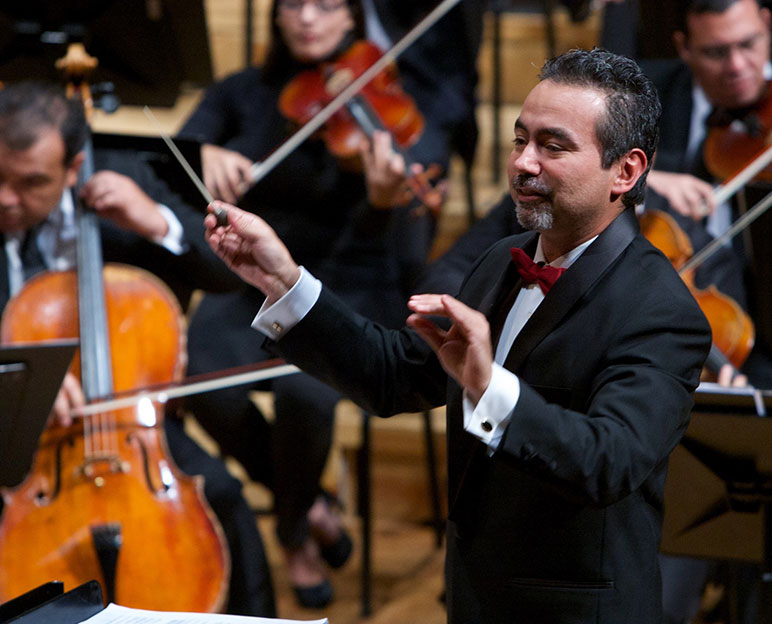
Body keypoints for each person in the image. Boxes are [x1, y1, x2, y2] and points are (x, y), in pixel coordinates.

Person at [202, 48, 713, 622]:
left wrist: (487, 385)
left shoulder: (661, 309)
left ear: (626, 171)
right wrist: (283, 279)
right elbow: (396, 375)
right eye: (521, 140)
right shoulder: (503, 259)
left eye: (554, 146)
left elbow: (609, 460)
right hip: (476, 597)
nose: (523, 162)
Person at [176, 0, 454, 609]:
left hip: (353, 280)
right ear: (275, 16)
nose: (308, 18)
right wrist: (202, 155)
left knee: (307, 389)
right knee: (200, 376)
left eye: (326, 5)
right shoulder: (243, 93)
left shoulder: (394, 94)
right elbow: (178, 155)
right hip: (257, 276)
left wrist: (384, 203)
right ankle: (309, 504)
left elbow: (413, 255)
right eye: (294, 4)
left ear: (353, 18)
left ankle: (295, 534)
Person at [0, 80, 275, 617]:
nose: (6, 199)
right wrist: (20, 381)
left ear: (74, 167)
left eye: (31, 183)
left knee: (223, 498)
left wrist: (157, 223)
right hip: (14, 433)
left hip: (129, 422)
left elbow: (227, 277)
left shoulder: (132, 181)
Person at [640, 0, 772, 390]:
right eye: (717, 52)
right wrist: (647, 181)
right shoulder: (642, 98)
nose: (737, 66)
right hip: (680, 327)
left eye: (748, 44)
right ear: (684, 47)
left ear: (767, 24)